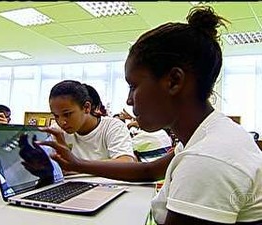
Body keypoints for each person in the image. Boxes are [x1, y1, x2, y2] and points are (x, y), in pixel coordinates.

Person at [33, 6, 262, 224]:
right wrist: (77, 164)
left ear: (174, 81)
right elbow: (148, 170)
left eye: (133, 86)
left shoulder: (207, 159)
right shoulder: (207, 135)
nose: (129, 100)